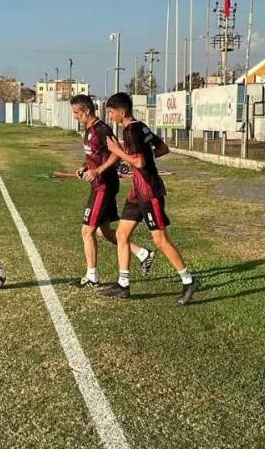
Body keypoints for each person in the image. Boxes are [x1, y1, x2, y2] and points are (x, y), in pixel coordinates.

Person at [102, 92, 198, 305]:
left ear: (122, 111)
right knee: (121, 234)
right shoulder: (141, 126)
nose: (109, 116)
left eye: (111, 112)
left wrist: (118, 151)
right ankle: (123, 285)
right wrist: (141, 163)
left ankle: (188, 280)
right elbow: (163, 148)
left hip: (149, 192)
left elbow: (139, 162)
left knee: (160, 240)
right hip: (137, 192)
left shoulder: (130, 131)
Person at [69, 94, 153, 288]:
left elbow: (116, 152)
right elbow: (96, 155)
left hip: (104, 186)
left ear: (87, 111)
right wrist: (84, 166)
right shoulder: (88, 130)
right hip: (98, 184)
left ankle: (92, 277)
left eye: (76, 112)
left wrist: (98, 170)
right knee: (103, 232)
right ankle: (142, 253)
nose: (74, 116)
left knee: (86, 231)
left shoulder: (101, 129)